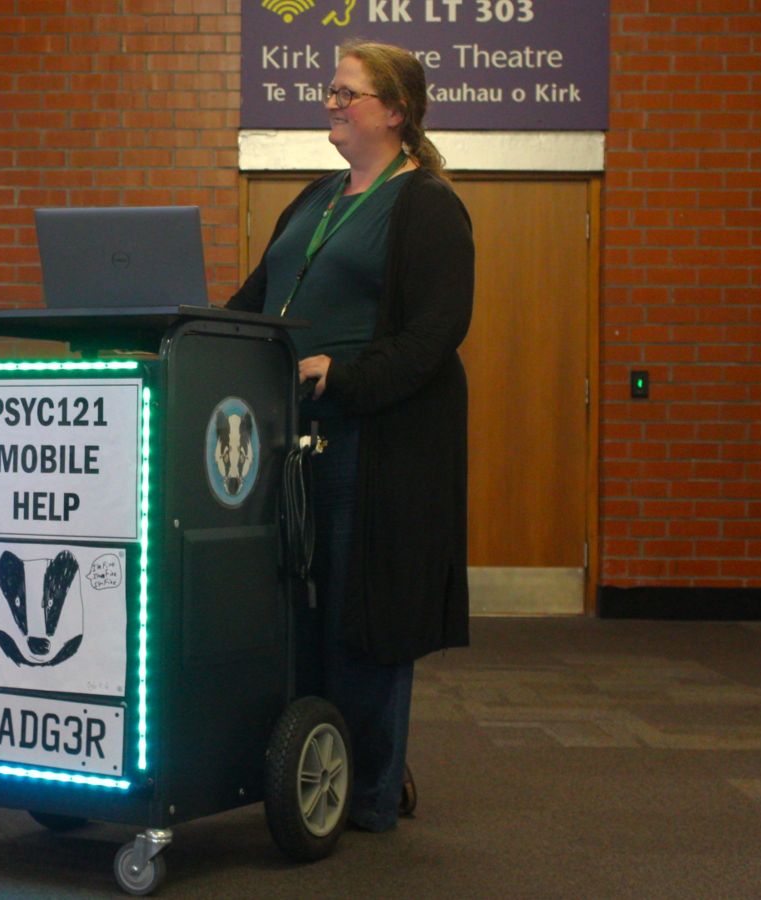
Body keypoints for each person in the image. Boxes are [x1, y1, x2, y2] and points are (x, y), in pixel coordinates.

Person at [227, 40, 472, 833]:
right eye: (328, 90)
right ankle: (311, 768)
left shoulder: (427, 205)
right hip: (294, 441)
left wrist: (346, 374)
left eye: (347, 93)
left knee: (357, 620)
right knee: (297, 617)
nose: (330, 101)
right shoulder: (316, 198)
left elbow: (436, 334)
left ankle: (367, 789)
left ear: (395, 112)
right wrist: (184, 338)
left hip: (377, 447)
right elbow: (255, 299)